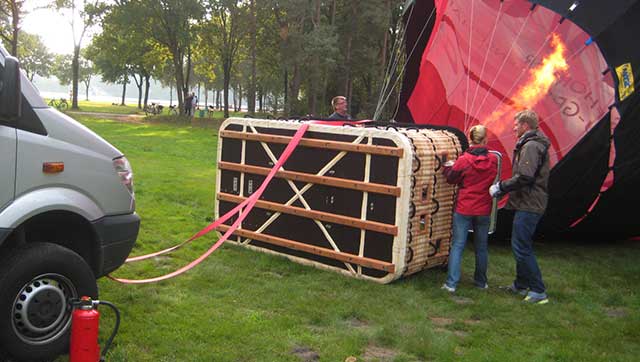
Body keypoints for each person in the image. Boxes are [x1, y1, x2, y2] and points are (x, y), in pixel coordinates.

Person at [489, 109, 550, 304]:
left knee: (521, 246)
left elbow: (525, 176)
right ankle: (520, 285)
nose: (513, 128)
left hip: (530, 204)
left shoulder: (531, 146)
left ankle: (538, 290)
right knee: (519, 244)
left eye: (516, 125)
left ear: (525, 126)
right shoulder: (532, 143)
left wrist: (501, 187)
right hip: (528, 202)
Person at [441, 125, 499, 293]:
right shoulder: (493, 160)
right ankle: (481, 282)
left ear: (470, 138)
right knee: (481, 246)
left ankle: (451, 284)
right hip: (483, 208)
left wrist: (447, 167)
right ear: (485, 139)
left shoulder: (464, 160)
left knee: (458, 244)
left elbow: (451, 178)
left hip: (464, 207)